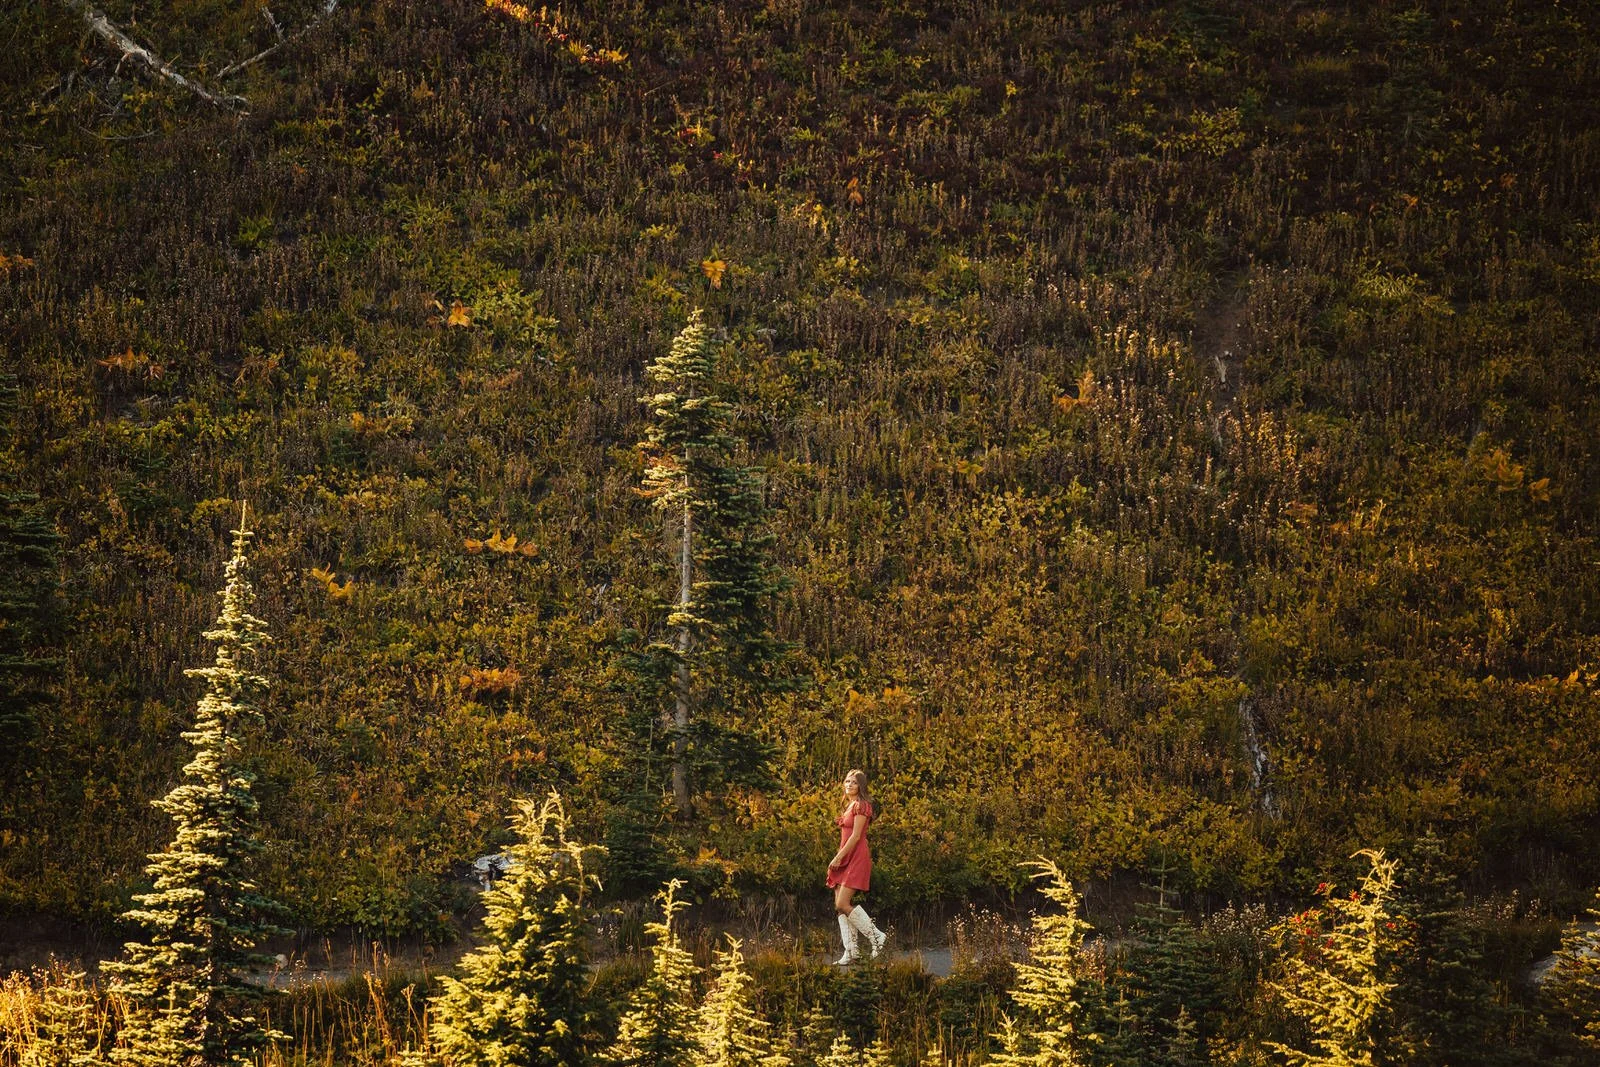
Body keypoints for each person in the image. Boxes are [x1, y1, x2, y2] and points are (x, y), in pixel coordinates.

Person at [827, 768, 887, 963]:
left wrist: (838, 857)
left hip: (856, 856)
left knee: (842, 903)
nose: (849, 785)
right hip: (845, 856)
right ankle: (851, 952)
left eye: (853, 782)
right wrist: (839, 858)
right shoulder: (849, 805)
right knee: (840, 907)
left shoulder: (862, 806)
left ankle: (876, 936)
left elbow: (855, 836)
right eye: (847, 781)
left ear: (861, 786)